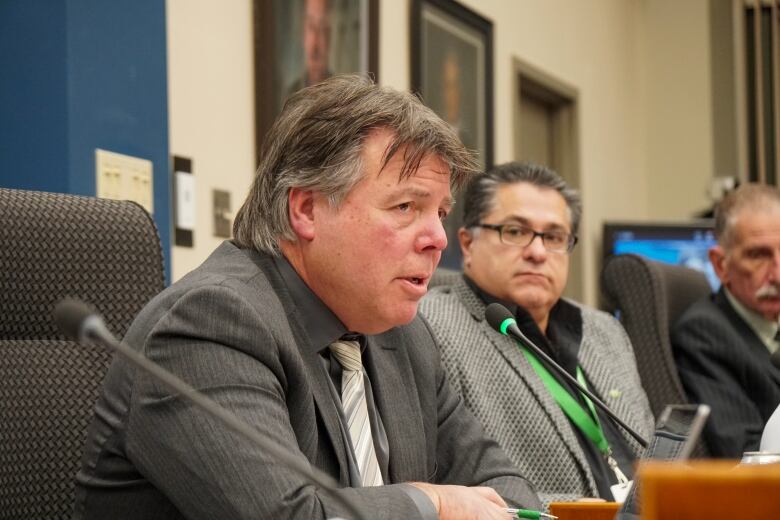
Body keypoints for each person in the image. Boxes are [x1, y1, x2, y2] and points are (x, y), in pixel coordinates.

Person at [73, 75, 541, 519]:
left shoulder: (403, 335)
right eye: (406, 207)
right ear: (307, 209)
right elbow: (285, 515)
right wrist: (433, 504)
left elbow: (499, 485)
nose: (438, 238)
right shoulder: (209, 325)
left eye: (439, 212)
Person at [419, 162, 654, 505]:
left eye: (555, 237)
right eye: (515, 232)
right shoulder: (431, 326)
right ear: (468, 244)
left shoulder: (605, 330)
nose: (538, 252)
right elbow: (452, 489)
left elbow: (655, 453)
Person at [672, 183, 780, 458]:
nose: (778, 275)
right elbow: (746, 455)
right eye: (759, 255)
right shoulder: (704, 333)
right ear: (721, 265)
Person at [285, 0, 332, 99]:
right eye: (311, 26)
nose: (315, 43)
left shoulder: (341, 97)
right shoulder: (290, 97)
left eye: (322, 28)